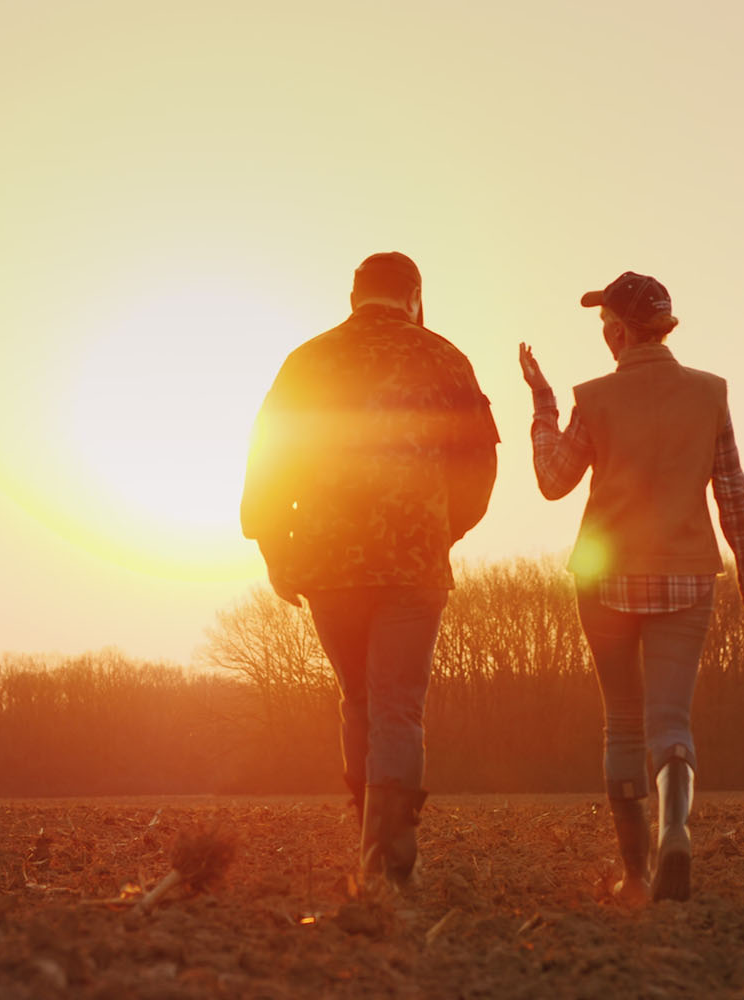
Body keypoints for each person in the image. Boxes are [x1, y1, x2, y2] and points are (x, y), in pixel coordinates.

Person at [240, 252, 499, 891]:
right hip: (413, 567)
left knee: (358, 699)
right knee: (398, 708)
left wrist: (275, 548)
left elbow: (268, 462)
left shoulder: (307, 362)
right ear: (414, 296)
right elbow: (480, 466)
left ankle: (368, 841)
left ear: (354, 296)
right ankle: (392, 848)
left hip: (329, 566)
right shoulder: (445, 359)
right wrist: (443, 529)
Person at [521, 272, 744, 904]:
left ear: (619, 332)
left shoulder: (594, 398)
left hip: (604, 577)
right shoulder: (710, 394)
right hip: (687, 574)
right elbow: (735, 496)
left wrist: (543, 405)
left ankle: (634, 876)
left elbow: (553, 480)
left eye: (605, 323)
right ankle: (676, 828)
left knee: (623, 724)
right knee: (670, 720)